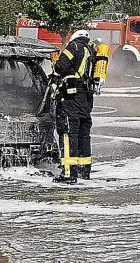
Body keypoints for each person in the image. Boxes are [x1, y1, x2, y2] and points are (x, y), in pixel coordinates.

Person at [52, 29, 95, 184]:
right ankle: (85, 171)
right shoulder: (92, 51)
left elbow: (61, 67)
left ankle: (69, 173)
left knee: (68, 134)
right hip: (86, 100)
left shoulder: (74, 47)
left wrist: (55, 63)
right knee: (84, 135)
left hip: (71, 99)